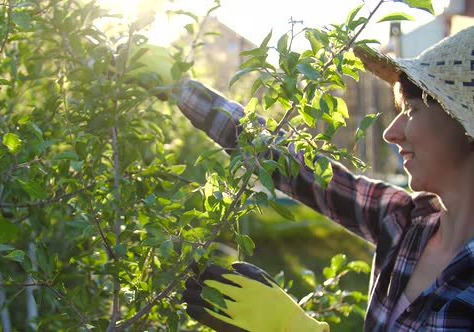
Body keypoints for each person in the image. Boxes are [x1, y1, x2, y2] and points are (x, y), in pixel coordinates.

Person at [132, 25, 474, 330]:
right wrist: (181, 89)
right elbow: (293, 167)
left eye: (411, 111)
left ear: (466, 126)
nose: (391, 133)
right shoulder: (405, 222)